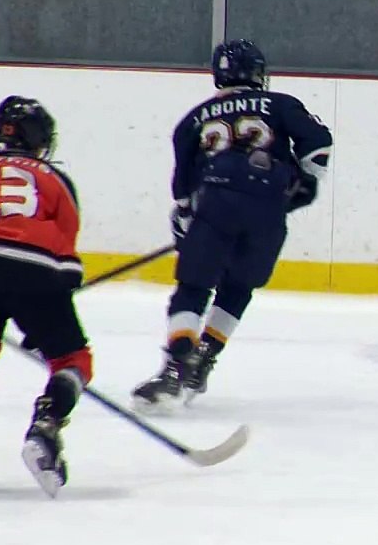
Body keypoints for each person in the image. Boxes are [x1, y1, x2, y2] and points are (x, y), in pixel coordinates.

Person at [133, 38, 332, 408]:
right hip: (269, 212)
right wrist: (297, 184)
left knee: (193, 287)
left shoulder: (192, 121)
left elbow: (182, 190)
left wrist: (190, 219)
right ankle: (204, 359)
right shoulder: (282, 104)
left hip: (215, 206)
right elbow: (318, 148)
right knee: (238, 286)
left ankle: (177, 365)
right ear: (258, 72)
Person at [0, 96, 92, 495]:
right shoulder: (54, 177)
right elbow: (66, 254)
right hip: (35, 270)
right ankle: (46, 428)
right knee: (73, 359)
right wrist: (50, 309)